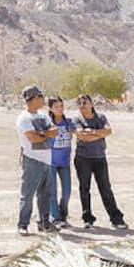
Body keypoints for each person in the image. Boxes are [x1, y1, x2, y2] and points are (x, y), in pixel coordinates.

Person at [73, 94, 128, 230]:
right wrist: (98, 134)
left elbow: (108, 131)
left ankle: (116, 219)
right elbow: (82, 136)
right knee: (84, 188)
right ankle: (88, 219)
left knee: (105, 188)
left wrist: (91, 132)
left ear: (91, 104)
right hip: (83, 158)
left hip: (99, 158)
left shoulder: (101, 117)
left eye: (85, 102)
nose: (82, 105)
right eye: (79, 103)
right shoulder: (76, 119)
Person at [16, 85, 57, 235]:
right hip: (32, 160)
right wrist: (45, 133)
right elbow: (32, 137)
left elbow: (55, 131)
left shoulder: (44, 116)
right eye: (40, 96)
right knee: (28, 194)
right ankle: (23, 224)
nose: (43, 99)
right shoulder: (24, 118)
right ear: (33, 98)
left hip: (47, 160)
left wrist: (42, 133)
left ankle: (45, 223)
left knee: (45, 194)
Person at [47, 96, 76, 228]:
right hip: (51, 162)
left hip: (65, 162)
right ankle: (55, 217)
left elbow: (78, 133)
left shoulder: (69, 122)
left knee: (67, 191)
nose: (59, 109)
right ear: (51, 109)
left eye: (61, 106)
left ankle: (63, 215)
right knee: (52, 191)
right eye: (56, 107)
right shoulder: (48, 123)